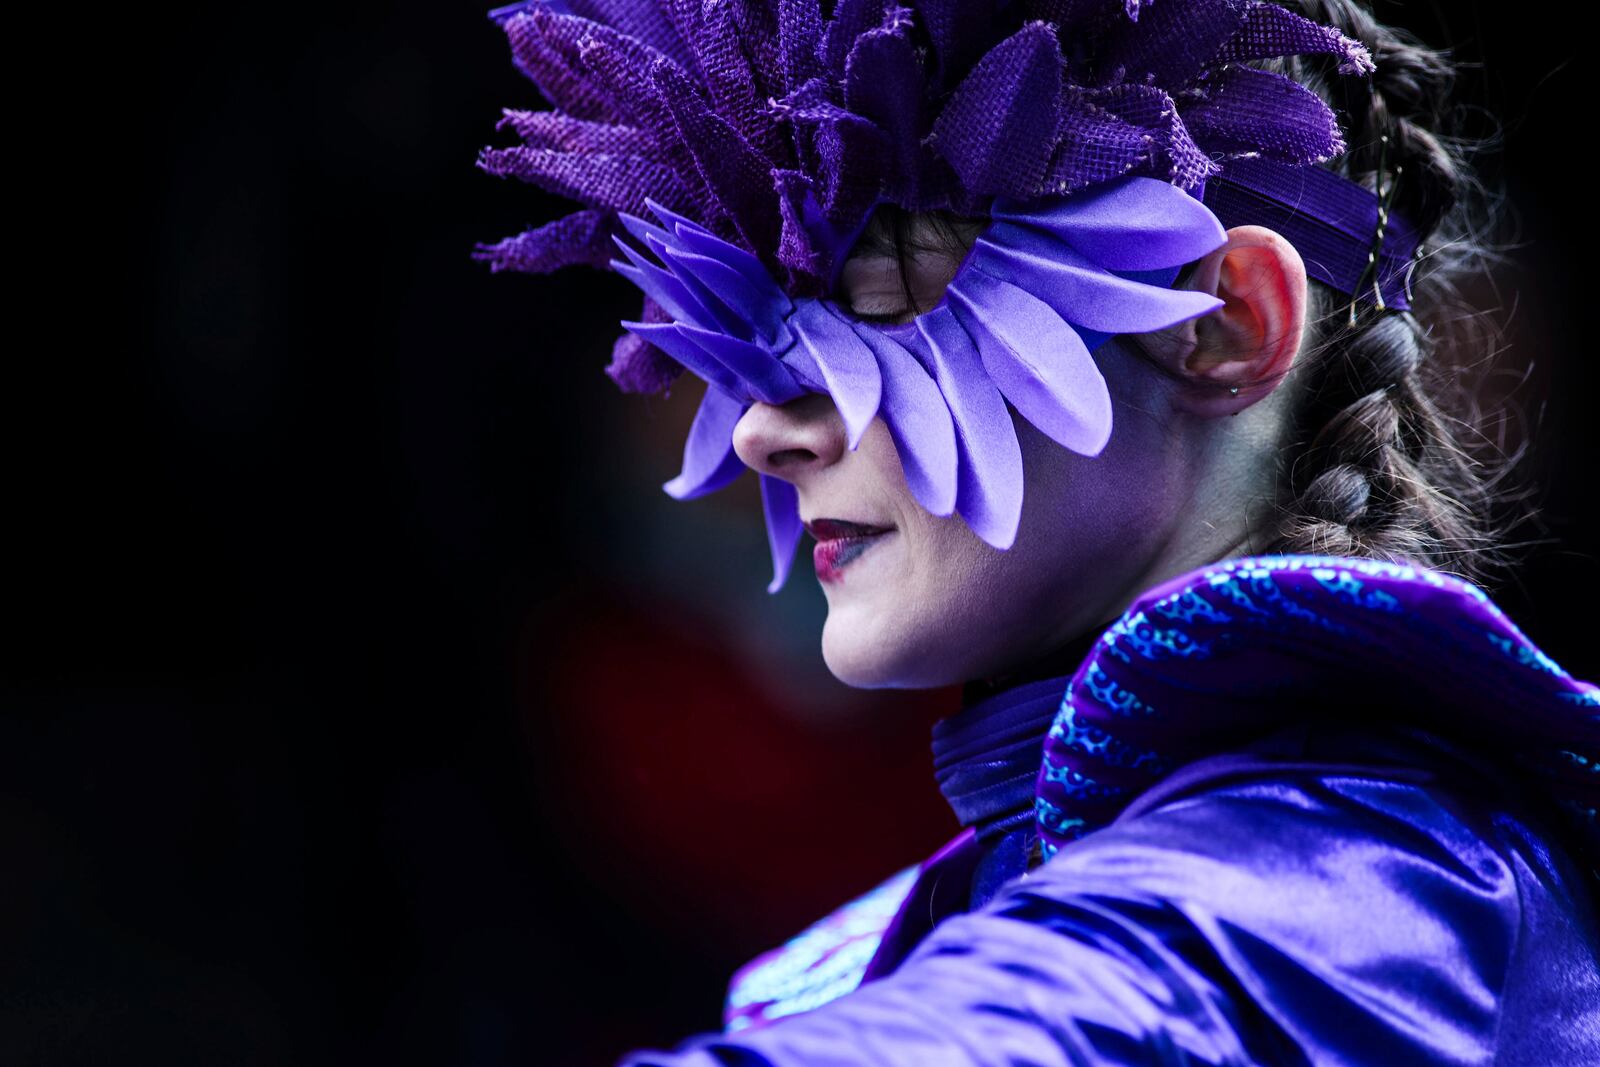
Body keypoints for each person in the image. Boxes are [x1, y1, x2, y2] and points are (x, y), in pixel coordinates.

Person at [473, 1, 1600, 1062]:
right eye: (760, 323)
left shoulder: (1388, 875)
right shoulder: (898, 939)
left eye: (879, 292)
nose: (766, 427)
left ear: (1222, 323)